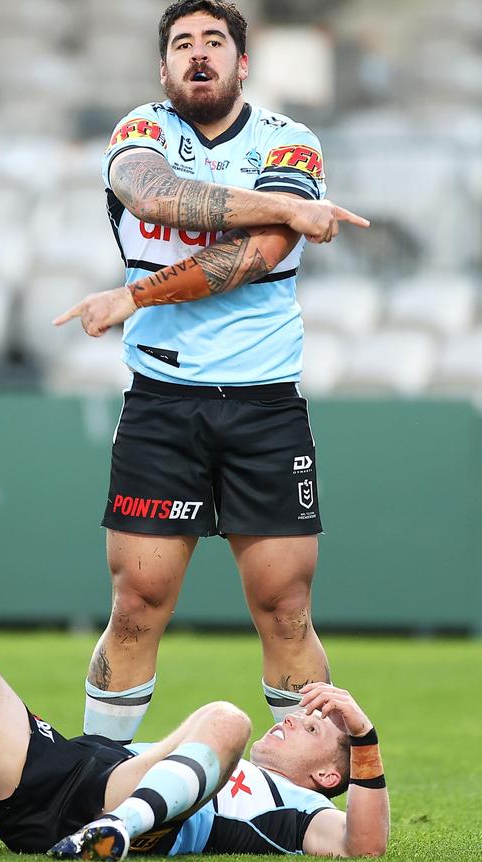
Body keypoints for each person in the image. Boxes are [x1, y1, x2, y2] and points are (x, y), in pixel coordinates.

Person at [53, 0, 370, 745]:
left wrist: (133, 294)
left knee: (285, 607)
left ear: (242, 62)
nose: (200, 55)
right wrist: (290, 210)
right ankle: (103, 778)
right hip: (162, 403)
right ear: (164, 67)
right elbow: (155, 194)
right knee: (137, 603)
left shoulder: (292, 142)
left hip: (264, 405)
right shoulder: (141, 132)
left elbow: (252, 259)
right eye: (183, 44)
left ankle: (304, 791)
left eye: (215, 42)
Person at [0, 632, 389, 860]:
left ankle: (115, 831)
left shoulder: (299, 809)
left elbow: (362, 845)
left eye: (314, 730)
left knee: (228, 717)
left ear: (326, 776)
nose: (294, 722)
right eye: (302, 717)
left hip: (120, 805)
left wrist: (363, 736)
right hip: (61, 769)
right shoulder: (202, 757)